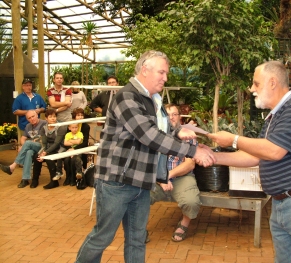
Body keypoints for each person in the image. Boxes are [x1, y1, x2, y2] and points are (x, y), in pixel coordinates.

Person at [75, 50, 214, 263]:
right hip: (117, 181)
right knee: (102, 237)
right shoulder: (126, 96)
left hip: (142, 180)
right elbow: (147, 135)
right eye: (161, 72)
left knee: (137, 239)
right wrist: (193, 151)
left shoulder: (154, 100)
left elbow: (158, 129)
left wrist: (178, 132)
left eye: (166, 73)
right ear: (144, 70)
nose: (165, 78)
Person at [207, 61, 291, 263]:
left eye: (256, 84)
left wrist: (233, 139)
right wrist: (211, 156)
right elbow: (256, 156)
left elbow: (274, 151)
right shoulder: (273, 118)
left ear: (273, 82)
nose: (252, 89)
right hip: (284, 204)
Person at [149, 103, 200, 242]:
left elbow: (189, 164)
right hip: (157, 178)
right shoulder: (154, 135)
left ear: (180, 117)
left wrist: (167, 176)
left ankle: (184, 225)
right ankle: (138, 229)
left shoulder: (188, 135)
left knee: (191, 201)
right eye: (167, 114)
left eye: (174, 114)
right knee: (138, 196)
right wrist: (160, 179)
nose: (171, 117)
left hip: (181, 176)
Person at [0, 110, 46, 188]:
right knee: (28, 152)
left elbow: (42, 139)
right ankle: (25, 179)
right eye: (29, 118)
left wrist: (25, 145)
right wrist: (23, 146)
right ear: (27, 119)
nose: (32, 119)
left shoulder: (43, 123)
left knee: (27, 144)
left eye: (33, 116)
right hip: (33, 146)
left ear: (37, 115)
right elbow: (22, 138)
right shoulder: (28, 126)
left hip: (42, 146)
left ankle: (13, 166)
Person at [32, 109, 67, 189]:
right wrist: (42, 152)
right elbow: (44, 143)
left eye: (54, 116)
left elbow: (57, 143)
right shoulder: (44, 128)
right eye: (50, 117)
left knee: (48, 158)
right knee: (36, 157)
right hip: (48, 149)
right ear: (46, 118)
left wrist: (46, 152)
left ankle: (54, 181)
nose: (53, 118)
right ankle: (35, 180)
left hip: (59, 149)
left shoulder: (61, 127)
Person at [58, 108, 91, 186]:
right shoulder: (70, 125)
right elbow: (66, 140)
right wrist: (70, 148)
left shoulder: (86, 127)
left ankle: (73, 178)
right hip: (69, 149)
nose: (80, 117)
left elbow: (85, 142)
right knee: (66, 160)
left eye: (82, 115)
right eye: (78, 115)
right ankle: (68, 177)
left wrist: (74, 148)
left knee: (73, 160)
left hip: (80, 148)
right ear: (74, 117)